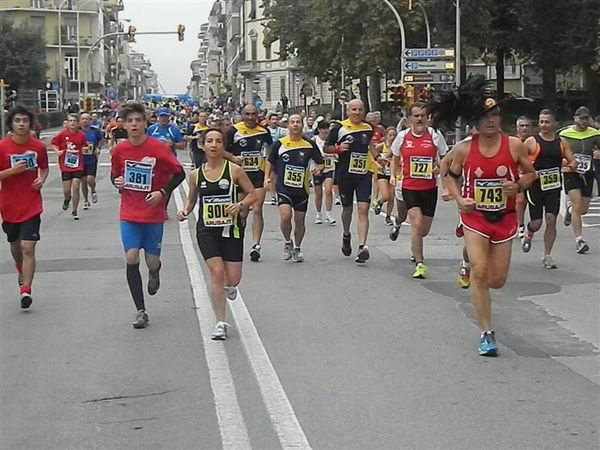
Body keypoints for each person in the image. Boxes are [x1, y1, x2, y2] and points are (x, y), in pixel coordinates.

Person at [430, 74, 537, 356]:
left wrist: (517, 185)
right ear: (474, 121)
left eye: (496, 115)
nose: (492, 120)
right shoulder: (463, 149)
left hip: (504, 218)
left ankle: (466, 261)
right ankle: (486, 332)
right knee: (480, 273)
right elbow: (448, 176)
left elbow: (531, 174)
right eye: (486, 116)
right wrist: (459, 197)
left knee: (497, 280)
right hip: (474, 218)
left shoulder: (514, 145)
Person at [110, 102, 186, 329]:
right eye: (130, 121)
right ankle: (140, 310)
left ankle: (155, 272)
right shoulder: (119, 151)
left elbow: (179, 174)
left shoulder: (158, 148)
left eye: (138, 120)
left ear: (145, 123)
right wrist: (118, 183)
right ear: (124, 124)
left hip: (153, 213)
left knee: (151, 261)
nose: (134, 124)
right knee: (131, 257)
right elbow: (116, 177)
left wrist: (162, 192)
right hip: (129, 212)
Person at [178, 128, 256, 340]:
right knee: (216, 272)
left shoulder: (234, 171)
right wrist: (184, 211)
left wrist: (239, 205)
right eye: (209, 141)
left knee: (233, 278)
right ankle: (220, 322)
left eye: (218, 141)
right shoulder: (196, 174)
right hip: (207, 230)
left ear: (224, 146)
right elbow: (192, 200)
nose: (213, 145)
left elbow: (253, 195)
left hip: (231, 230)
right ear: (203, 145)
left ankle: (230, 287)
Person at [390, 102, 449, 278]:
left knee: (423, 230)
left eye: (423, 116)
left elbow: (446, 158)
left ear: (428, 118)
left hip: (429, 188)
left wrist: (439, 169)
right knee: (416, 222)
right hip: (410, 187)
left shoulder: (435, 135)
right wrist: (393, 175)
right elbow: (394, 158)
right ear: (409, 119)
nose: (419, 119)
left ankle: (415, 248)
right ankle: (419, 263)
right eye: (416, 116)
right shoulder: (402, 136)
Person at [0, 106, 49, 309]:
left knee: (28, 247)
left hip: (31, 204)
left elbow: (44, 168)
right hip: (9, 205)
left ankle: (26, 290)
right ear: (11, 123)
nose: (21, 124)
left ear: (30, 124)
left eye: (25, 121)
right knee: (15, 247)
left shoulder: (38, 147)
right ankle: (20, 269)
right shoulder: (2, 147)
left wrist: (41, 179)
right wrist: (12, 171)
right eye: (17, 120)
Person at [325, 99, 378, 263]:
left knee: (363, 208)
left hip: (363, 174)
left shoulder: (368, 128)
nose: (357, 112)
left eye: (360, 109)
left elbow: (370, 146)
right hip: (345, 175)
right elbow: (326, 147)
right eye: (353, 109)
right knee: (347, 209)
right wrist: (337, 149)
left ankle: (362, 246)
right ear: (348, 111)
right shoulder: (339, 128)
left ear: (364, 111)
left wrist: (379, 157)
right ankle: (346, 234)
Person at [521, 110, 576, 268]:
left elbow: (573, 162)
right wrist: (531, 172)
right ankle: (529, 232)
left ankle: (547, 255)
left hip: (553, 186)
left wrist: (570, 167)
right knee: (537, 223)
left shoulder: (561, 142)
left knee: (551, 220)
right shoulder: (532, 141)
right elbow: (519, 161)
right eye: (541, 121)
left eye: (547, 122)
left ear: (554, 124)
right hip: (535, 186)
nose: (544, 125)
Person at [265, 114, 324, 262]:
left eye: (298, 122)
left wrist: (319, 169)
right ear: (288, 125)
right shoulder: (280, 144)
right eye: (292, 122)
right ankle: (287, 242)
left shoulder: (309, 144)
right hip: (283, 187)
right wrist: (267, 177)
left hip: (301, 189)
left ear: (302, 125)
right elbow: (270, 161)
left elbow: (320, 162)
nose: (295, 125)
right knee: (285, 216)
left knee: (300, 221)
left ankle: (297, 247)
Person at [225, 104, 273, 262]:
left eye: (254, 114)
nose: (251, 118)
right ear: (242, 114)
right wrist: (232, 158)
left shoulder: (264, 132)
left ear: (258, 115)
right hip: (239, 176)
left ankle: (256, 245)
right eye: (247, 114)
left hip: (257, 175)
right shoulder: (233, 131)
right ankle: (239, 237)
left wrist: (268, 175)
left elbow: (270, 153)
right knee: (242, 212)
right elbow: (221, 150)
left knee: (257, 209)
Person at [559, 106, 600, 253]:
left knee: (582, 209)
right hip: (571, 172)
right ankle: (579, 240)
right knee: (577, 204)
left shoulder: (594, 133)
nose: (584, 121)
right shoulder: (564, 134)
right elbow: (556, 150)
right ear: (575, 118)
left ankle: (569, 210)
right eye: (581, 118)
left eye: (586, 118)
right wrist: (563, 160)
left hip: (588, 173)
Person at [51, 114, 87, 220]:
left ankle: (74, 210)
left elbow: (85, 146)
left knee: (76, 187)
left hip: (78, 165)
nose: (72, 123)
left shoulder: (81, 135)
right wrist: (57, 151)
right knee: (67, 190)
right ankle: (67, 199)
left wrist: (84, 149)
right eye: (70, 121)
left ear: (78, 122)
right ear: (67, 122)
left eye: (75, 121)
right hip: (65, 165)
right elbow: (54, 143)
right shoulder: (62, 134)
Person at [312, 119, 336, 225]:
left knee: (329, 190)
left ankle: (328, 214)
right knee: (318, 194)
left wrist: (336, 154)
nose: (326, 133)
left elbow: (336, 150)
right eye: (324, 131)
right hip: (317, 169)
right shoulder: (314, 140)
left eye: (328, 131)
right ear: (319, 130)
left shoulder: (332, 140)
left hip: (329, 167)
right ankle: (318, 214)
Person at [79, 112, 104, 210]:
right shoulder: (77, 131)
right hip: (80, 160)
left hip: (91, 159)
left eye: (87, 119)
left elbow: (102, 140)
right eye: (83, 119)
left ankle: (93, 190)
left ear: (90, 120)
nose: (85, 121)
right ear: (80, 120)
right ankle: (85, 200)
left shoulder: (95, 131)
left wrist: (98, 147)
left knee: (90, 179)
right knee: (83, 181)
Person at [373, 127, 396, 225]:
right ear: (386, 136)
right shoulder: (381, 146)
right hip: (382, 173)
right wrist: (376, 163)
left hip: (393, 174)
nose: (392, 137)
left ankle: (388, 216)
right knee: (386, 195)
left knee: (391, 197)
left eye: (394, 135)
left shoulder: (397, 147)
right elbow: (371, 156)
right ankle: (380, 202)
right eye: (390, 135)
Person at [514, 116, 533, 239]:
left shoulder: (534, 141)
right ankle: (520, 225)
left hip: (532, 175)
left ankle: (533, 225)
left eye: (527, 125)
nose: (525, 128)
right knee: (520, 200)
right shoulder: (513, 141)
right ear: (517, 128)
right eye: (522, 125)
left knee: (531, 202)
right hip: (516, 176)